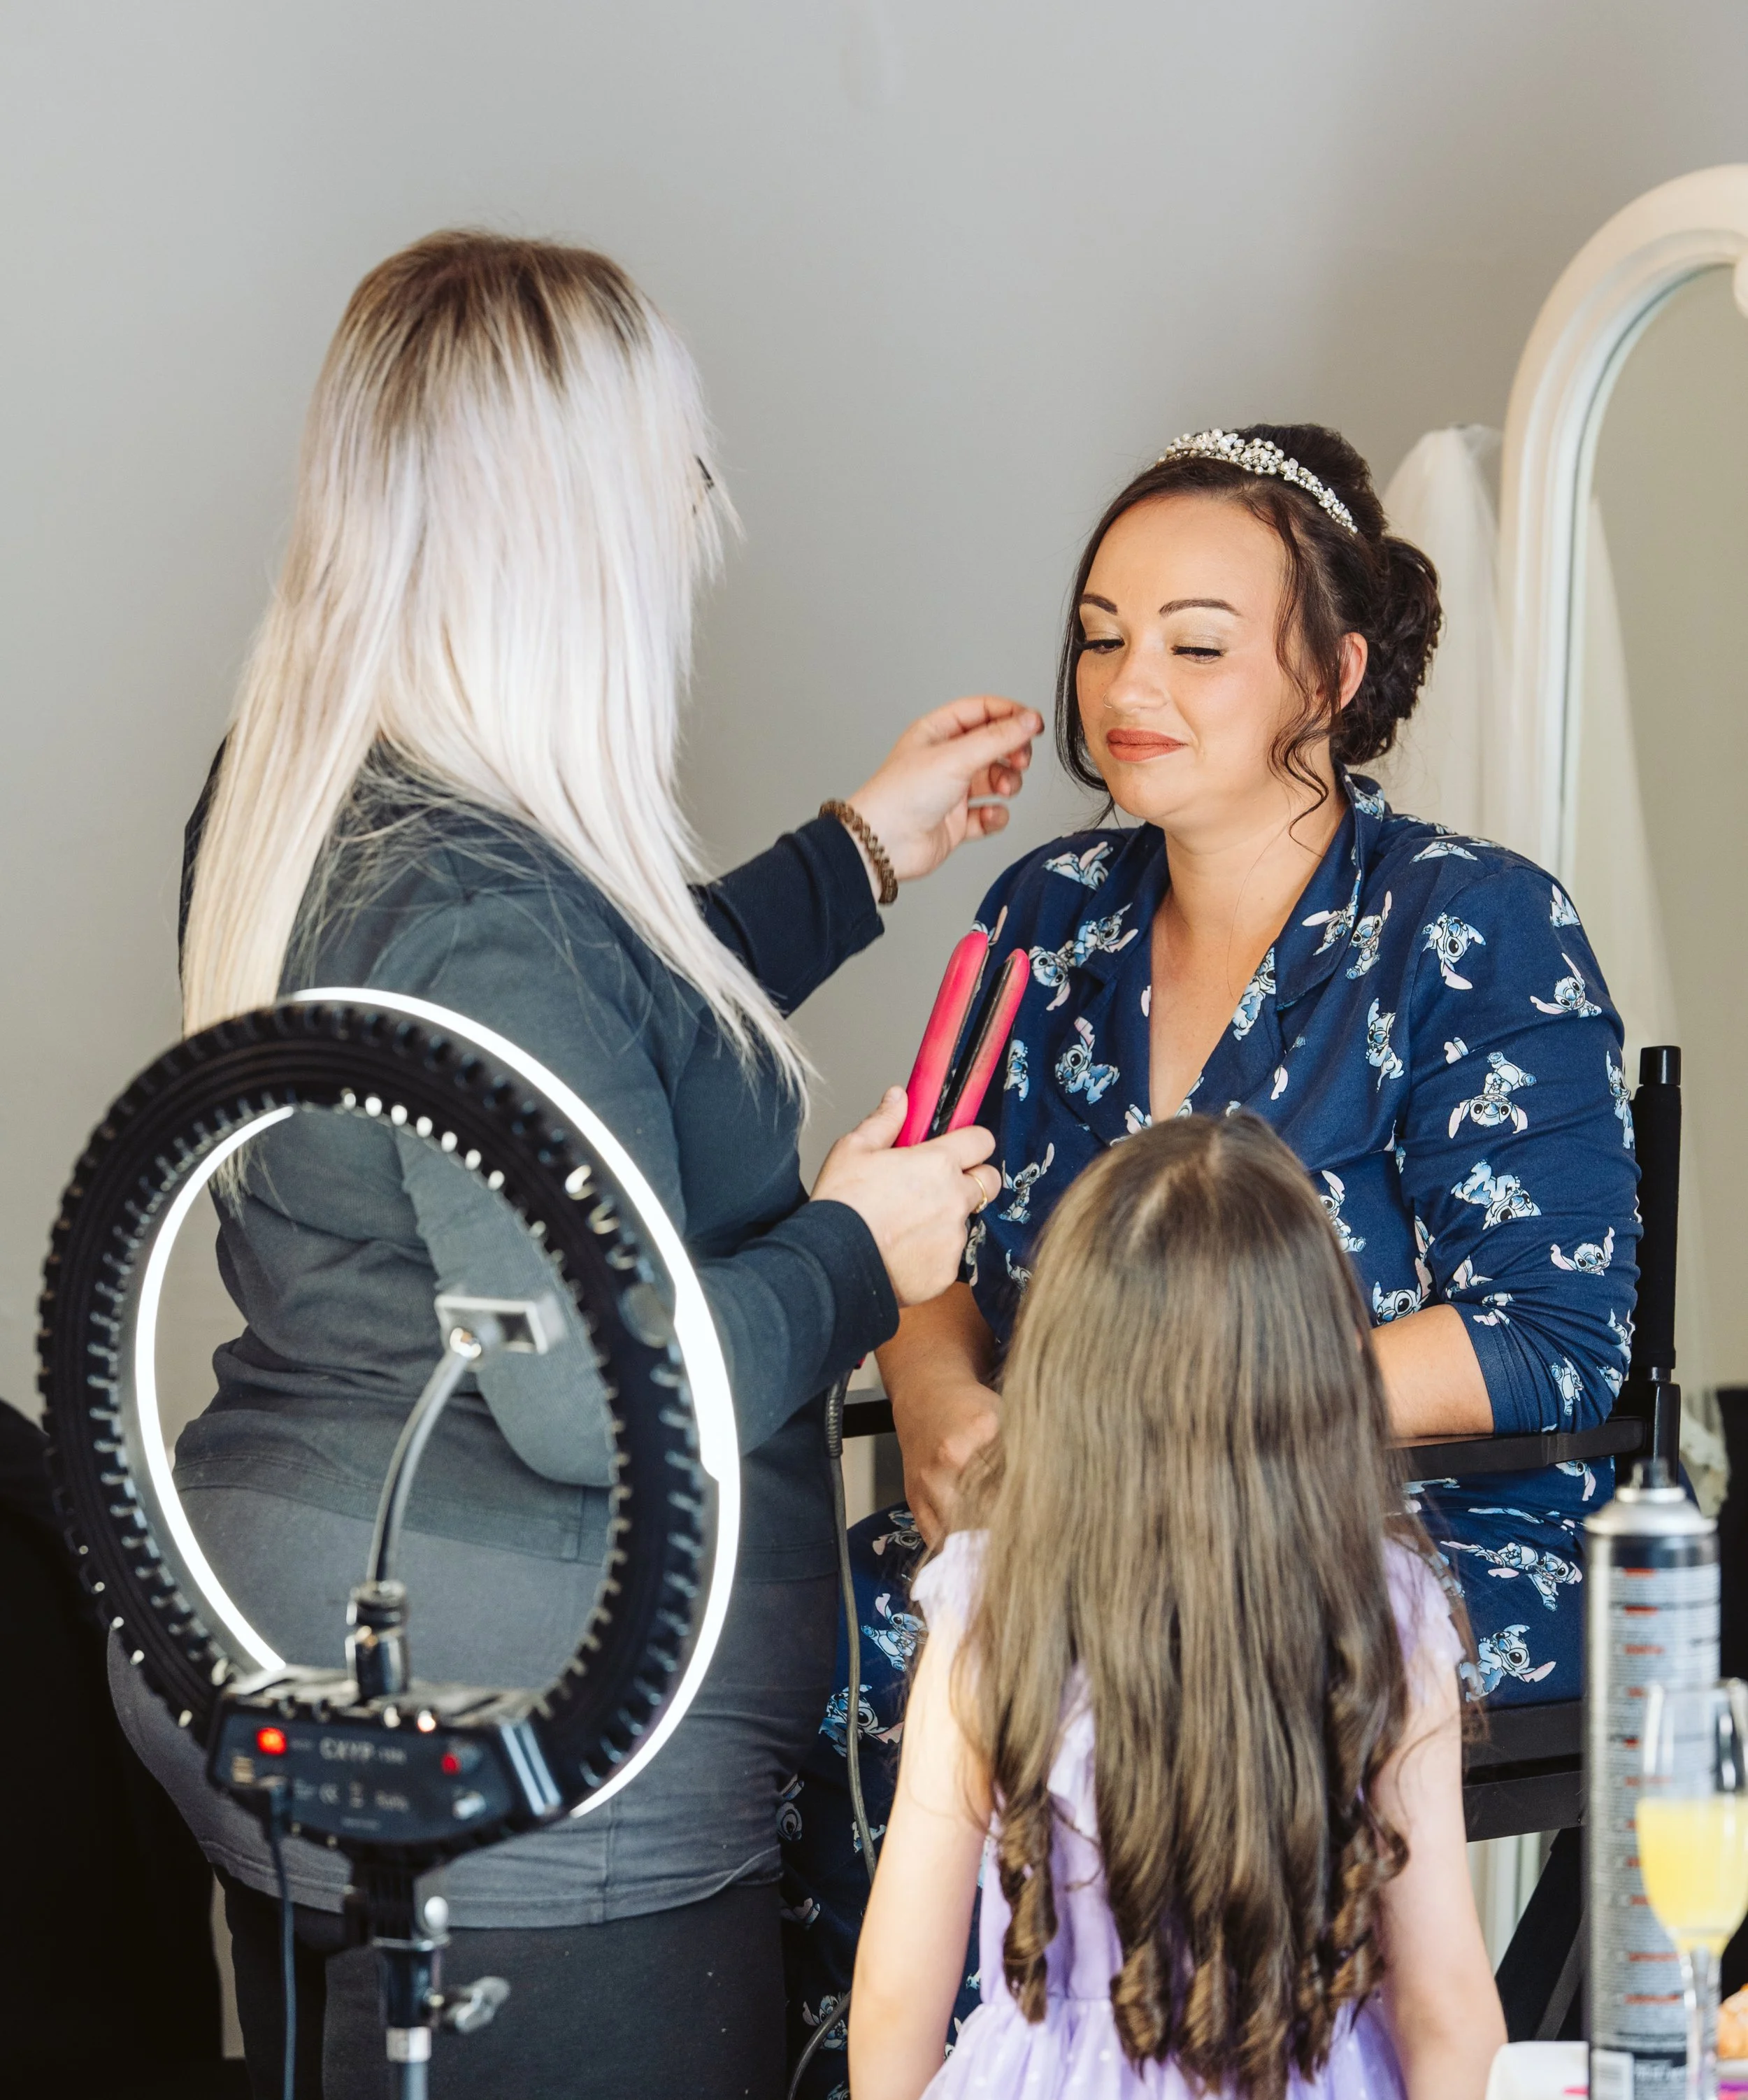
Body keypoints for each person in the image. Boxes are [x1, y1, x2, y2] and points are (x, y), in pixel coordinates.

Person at [108, 231, 1043, 2100]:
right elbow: (593, 1406)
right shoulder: (481, 910)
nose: (702, 522)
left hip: (286, 1656)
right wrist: (863, 1245)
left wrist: (854, 855)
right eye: (676, 479)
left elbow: (575, 1043)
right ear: (579, 527)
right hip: (529, 1776)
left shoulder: (320, 787)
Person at [783, 424, 1638, 2064]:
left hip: (1376, 1532)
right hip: (1058, 1524)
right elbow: (926, 1212)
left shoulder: (1469, 926)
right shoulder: (1045, 916)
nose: (1127, 682)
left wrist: (1153, 1421)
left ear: (1329, 672)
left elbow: (1539, 1332)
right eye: (1101, 634)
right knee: (803, 1640)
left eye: (1192, 643)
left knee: (1080, 1660)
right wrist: (955, 1400)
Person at [848, 1113, 1505, 2100]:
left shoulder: (989, 1605)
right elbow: (1448, 2008)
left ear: (1061, 1375)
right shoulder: (1389, 1610)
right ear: (1323, 1384)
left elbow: (901, 1995)